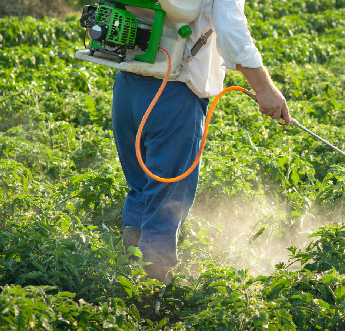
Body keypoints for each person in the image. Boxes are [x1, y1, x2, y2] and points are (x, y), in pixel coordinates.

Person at [112, 0, 289, 282]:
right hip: (171, 97)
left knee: (142, 190)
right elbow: (233, 32)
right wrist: (265, 89)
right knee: (166, 200)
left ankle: (126, 275)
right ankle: (149, 294)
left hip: (127, 89)